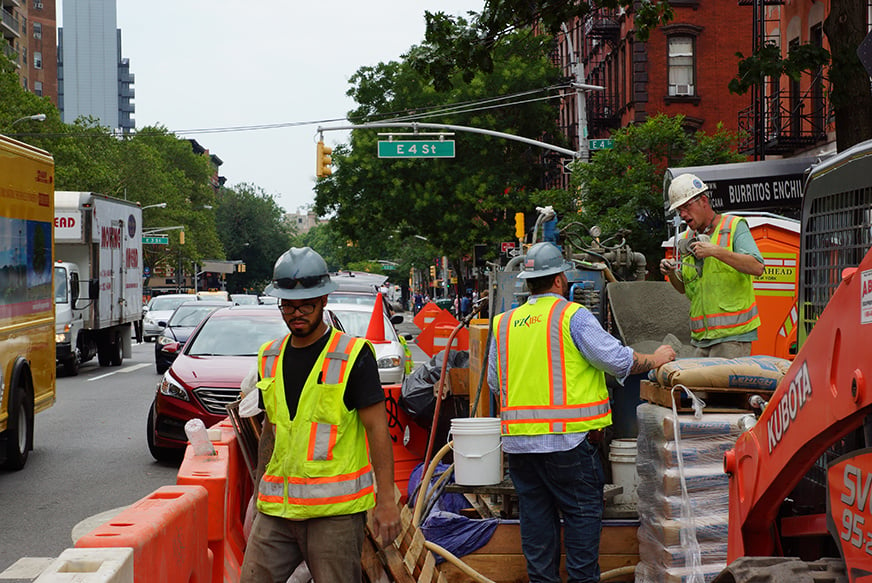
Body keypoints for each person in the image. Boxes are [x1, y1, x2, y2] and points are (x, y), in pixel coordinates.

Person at [488, 242, 676, 583]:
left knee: (537, 529)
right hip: (569, 446)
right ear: (559, 280)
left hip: (520, 450)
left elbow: (495, 382)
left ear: (529, 281)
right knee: (581, 527)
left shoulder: (503, 324)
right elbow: (618, 361)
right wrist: (656, 359)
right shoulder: (572, 316)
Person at [240, 246, 401, 582]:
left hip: (335, 515)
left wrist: (387, 500)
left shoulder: (353, 356)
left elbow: (377, 430)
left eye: (306, 304)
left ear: (324, 301)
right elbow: (271, 430)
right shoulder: (269, 357)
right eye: (288, 304)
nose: (297, 312)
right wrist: (257, 495)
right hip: (277, 510)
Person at [659, 173, 765, 358]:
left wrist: (715, 251)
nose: (683, 215)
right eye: (679, 211)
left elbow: (757, 267)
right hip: (701, 339)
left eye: (686, 207)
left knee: (721, 387)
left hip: (733, 338)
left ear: (703, 201)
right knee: (695, 388)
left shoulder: (733, 226)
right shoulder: (686, 239)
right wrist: (672, 273)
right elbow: (684, 288)